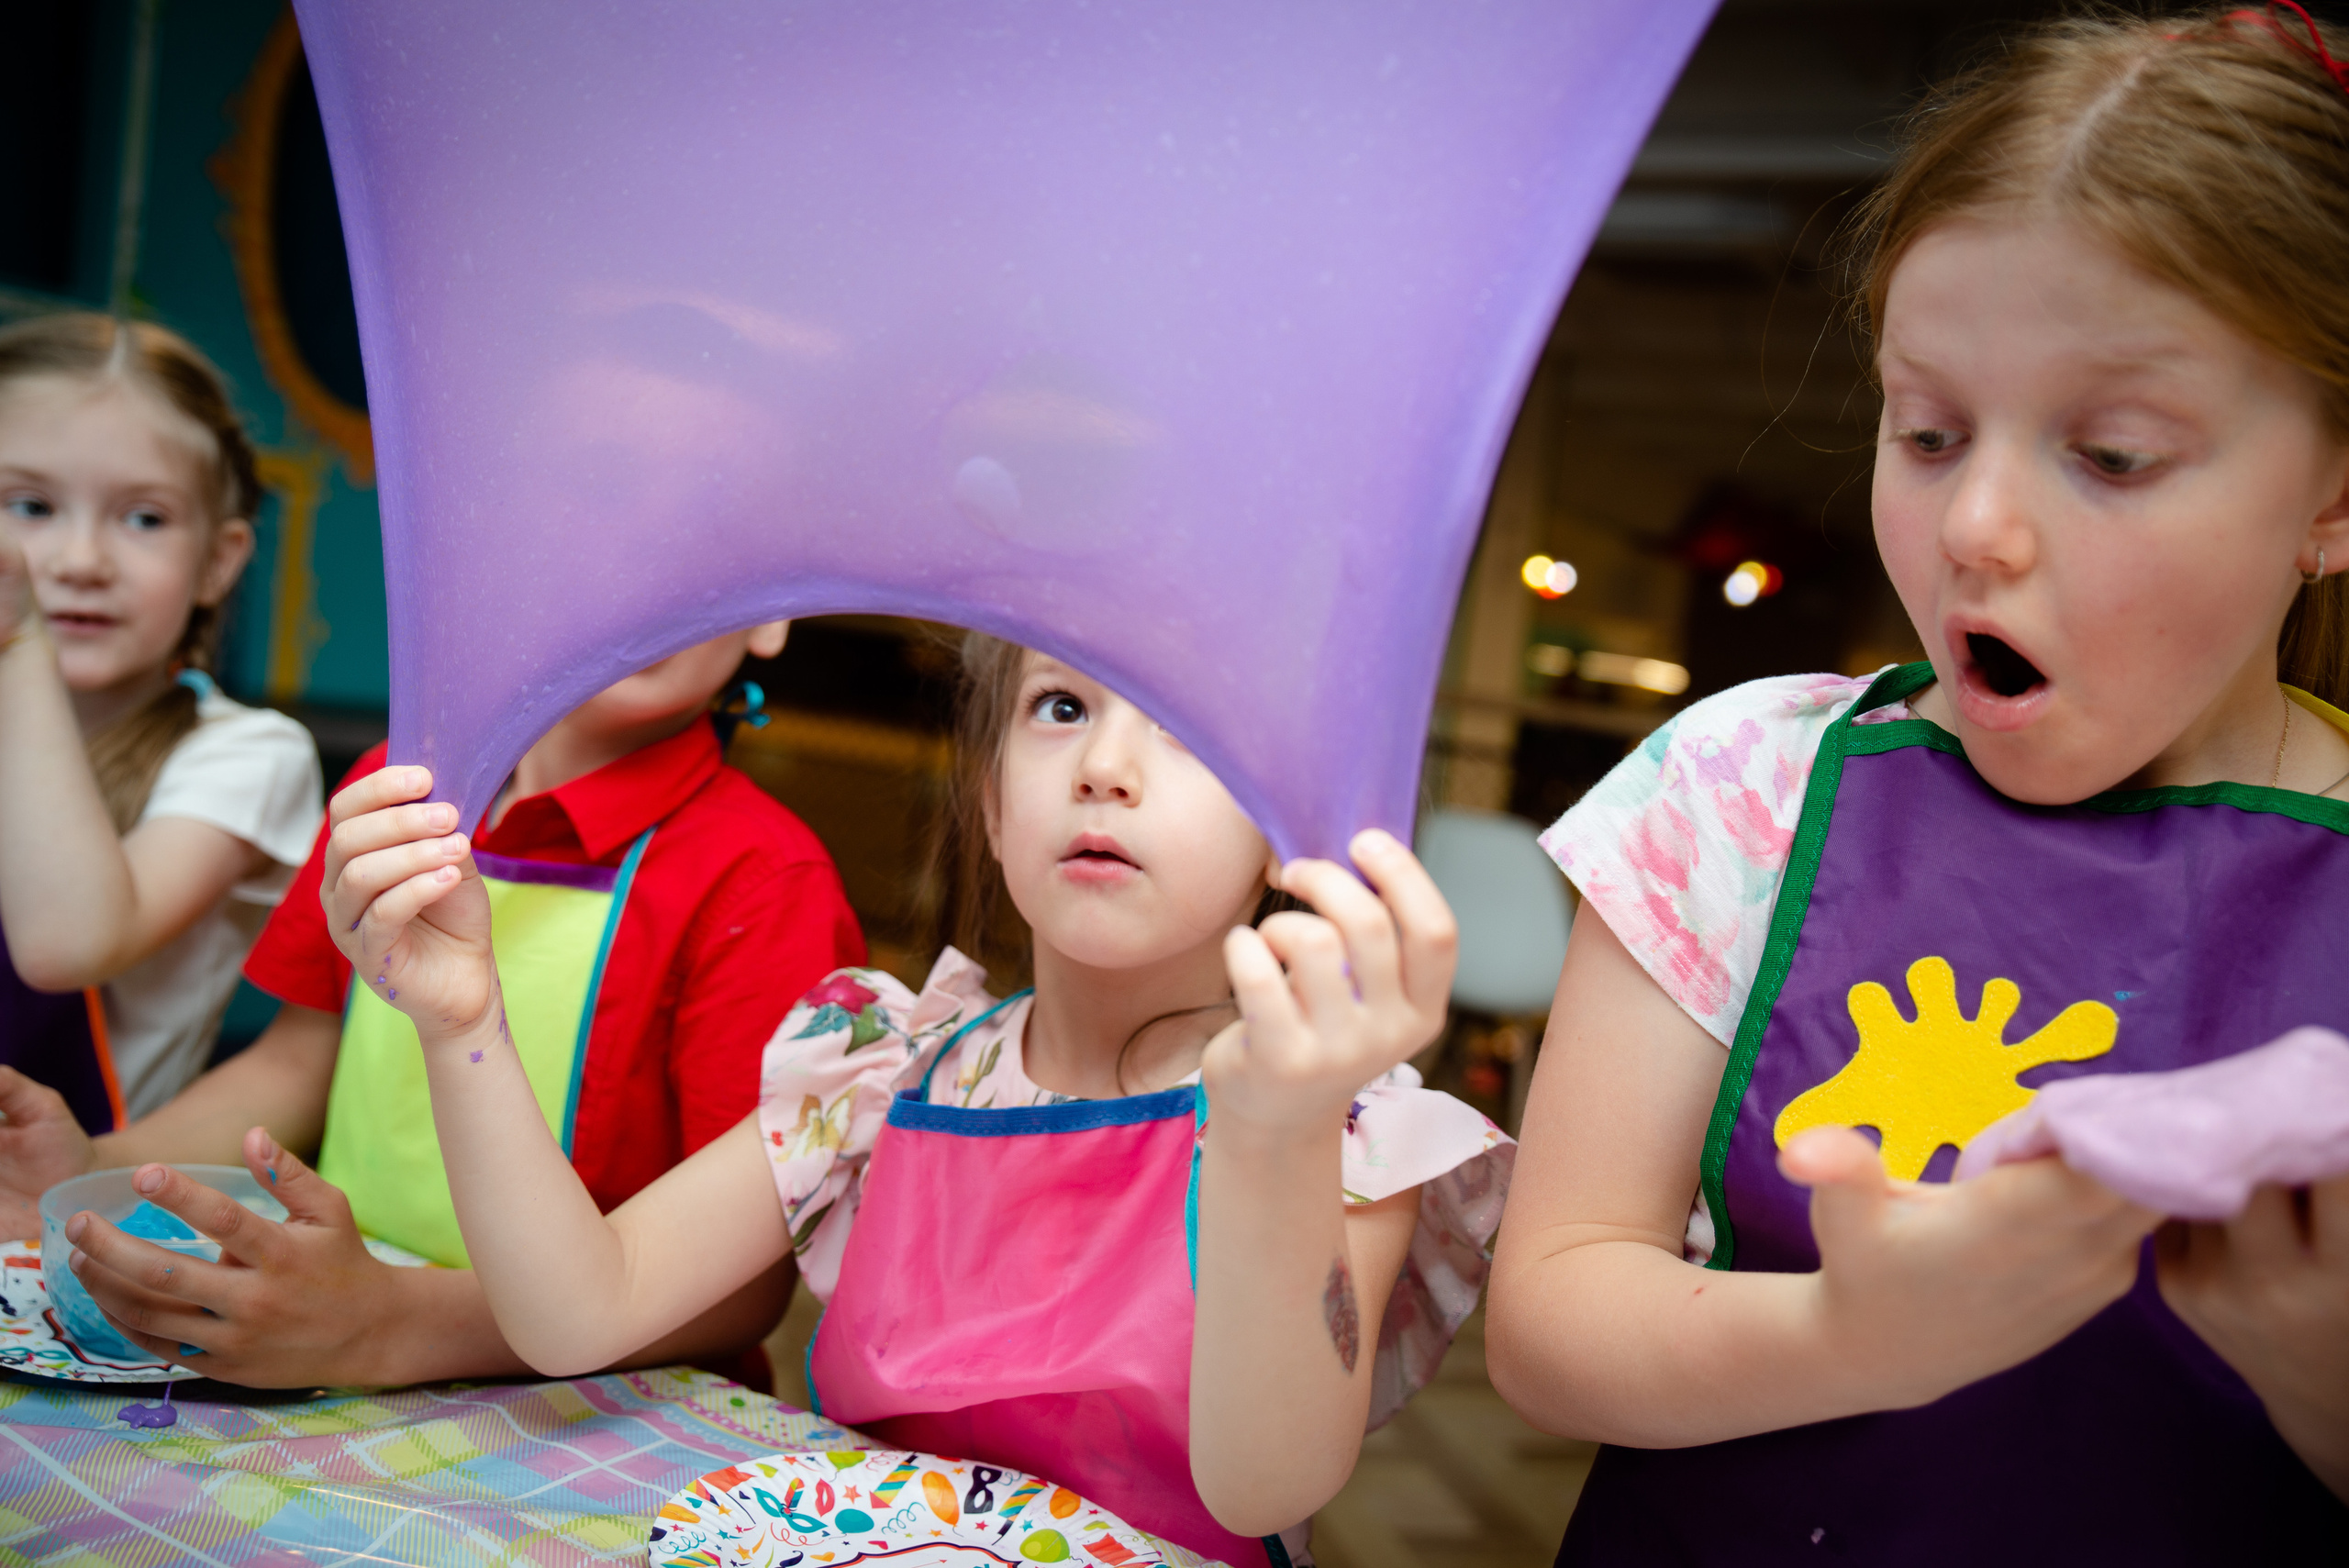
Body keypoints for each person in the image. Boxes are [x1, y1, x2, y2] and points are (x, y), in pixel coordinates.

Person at [1486, 7, 2349, 1562]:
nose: (1979, 527)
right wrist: (1847, 1337)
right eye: (1930, 428)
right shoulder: (1744, 783)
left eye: (2115, 452)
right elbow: (1548, 1315)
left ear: (2334, 491)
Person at [305, 631, 1511, 1565]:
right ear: (990, 800)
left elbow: (1266, 1485)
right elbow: (580, 1309)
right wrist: (462, 1019)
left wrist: (1270, 1135)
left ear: (1281, 832)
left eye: (1189, 728)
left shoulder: (1341, 1125)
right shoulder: (884, 1067)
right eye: (1059, 706)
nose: (1104, 767)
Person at [17, 625, 864, 1389]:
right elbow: (301, 1058)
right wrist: (96, 1164)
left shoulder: (766, 881)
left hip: (606, 1407)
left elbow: (746, 1292)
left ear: (768, 616)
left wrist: (390, 1324)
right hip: (326, 1340)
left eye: (693, 558)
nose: (634, 598)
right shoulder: (391, 791)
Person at [0, 313, 322, 1127]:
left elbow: (65, 946)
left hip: (70, 1219)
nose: (80, 563)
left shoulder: (248, 756)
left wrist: (21, 640)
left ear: (217, 560)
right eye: (31, 506)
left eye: (143, 518)